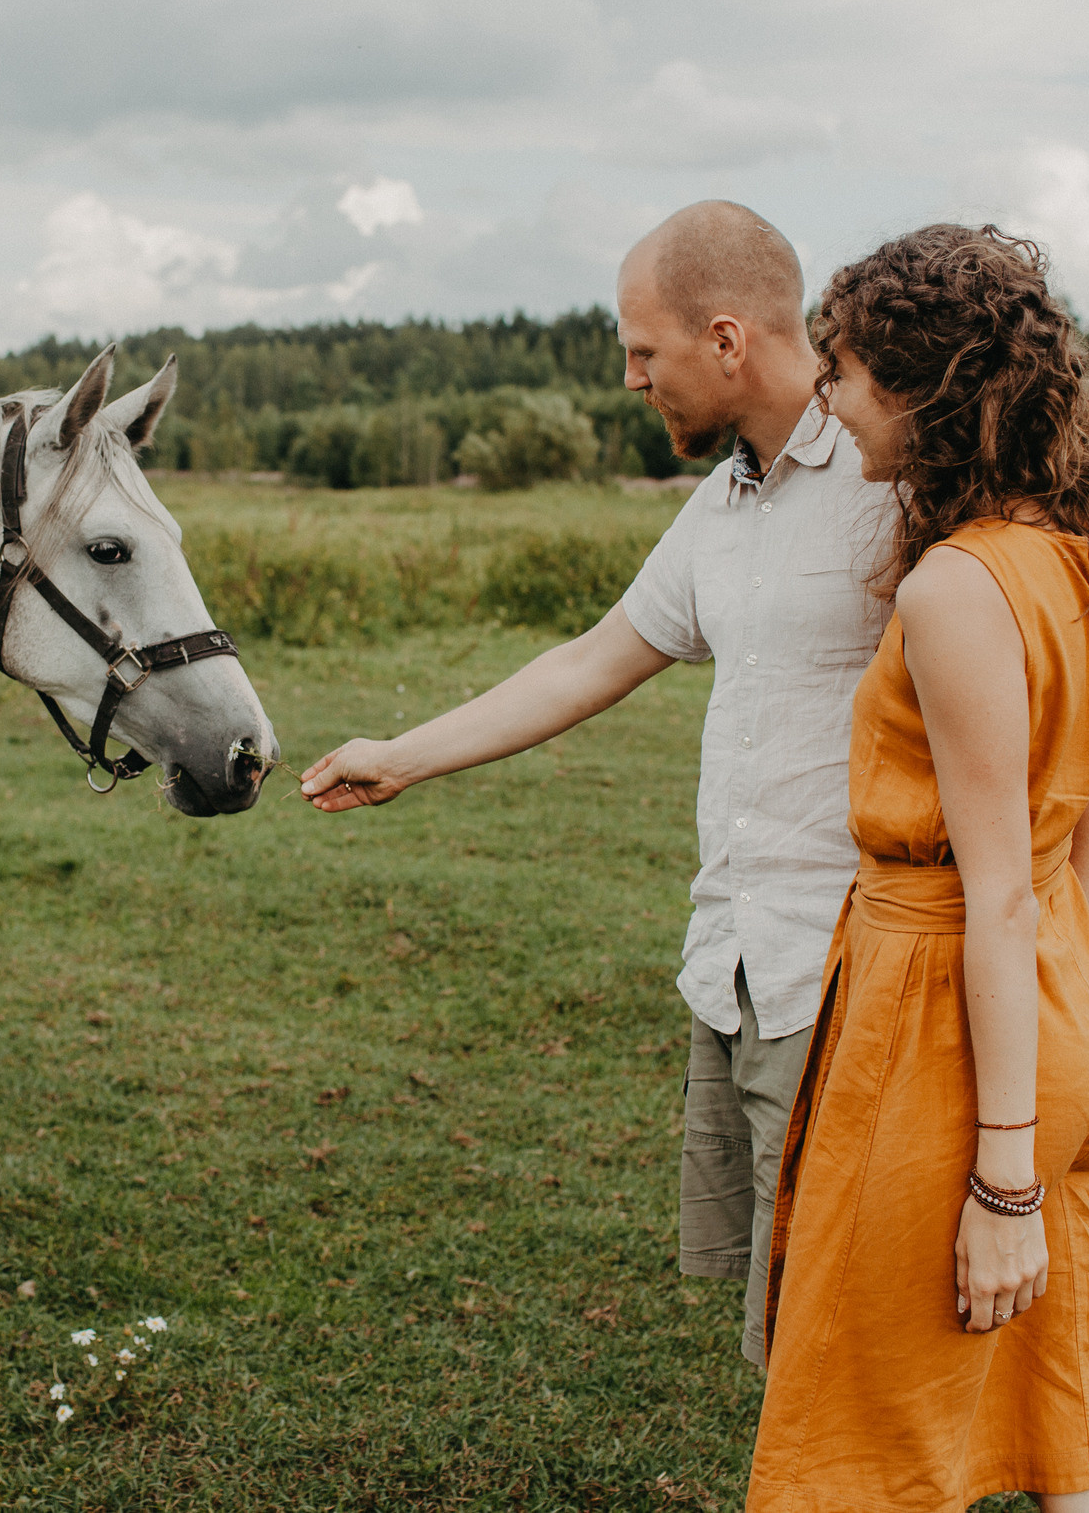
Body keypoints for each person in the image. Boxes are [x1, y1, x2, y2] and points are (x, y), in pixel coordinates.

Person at [298, 200, 896, 1367]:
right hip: (736, 964)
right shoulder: (720, 506)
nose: (629, 379)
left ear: (725, 340)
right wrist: (402, 755)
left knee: (843, 1332)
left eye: (641, 350)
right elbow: (590, 660)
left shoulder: (893, 474)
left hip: (849, 971)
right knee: (784, 1327)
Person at [746, 224, 1089, 1512]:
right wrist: (1055, 998)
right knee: (1066, 1426)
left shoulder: (954, 591)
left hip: (944, 1038)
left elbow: (996, 891)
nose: (825, 398)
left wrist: (1001, 1183)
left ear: (927, 390)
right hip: (1064, 992)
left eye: (846, 373)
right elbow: (1078, 842)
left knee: (859, 1447)